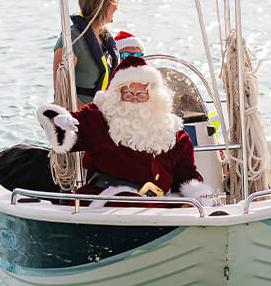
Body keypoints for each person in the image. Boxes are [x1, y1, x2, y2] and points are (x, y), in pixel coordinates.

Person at [38, 52, 207, 200]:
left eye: (141, 94)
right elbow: (69, 130)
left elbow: (187, 174)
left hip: (160, 204)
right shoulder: (100, 118)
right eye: (128, 94)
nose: (134, 100)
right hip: (109, 198)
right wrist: (59, 121)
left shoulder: (170, 130)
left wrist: (197, 196)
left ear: (152, 95)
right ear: (117, 95)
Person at [51, 0, 119, 104]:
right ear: (101, 6)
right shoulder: (72, 40)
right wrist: (89, 117)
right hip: (80, 117)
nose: (117, 7)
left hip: (104, 111)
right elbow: (62, 92)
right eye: (114, 3)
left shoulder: (104, 37)